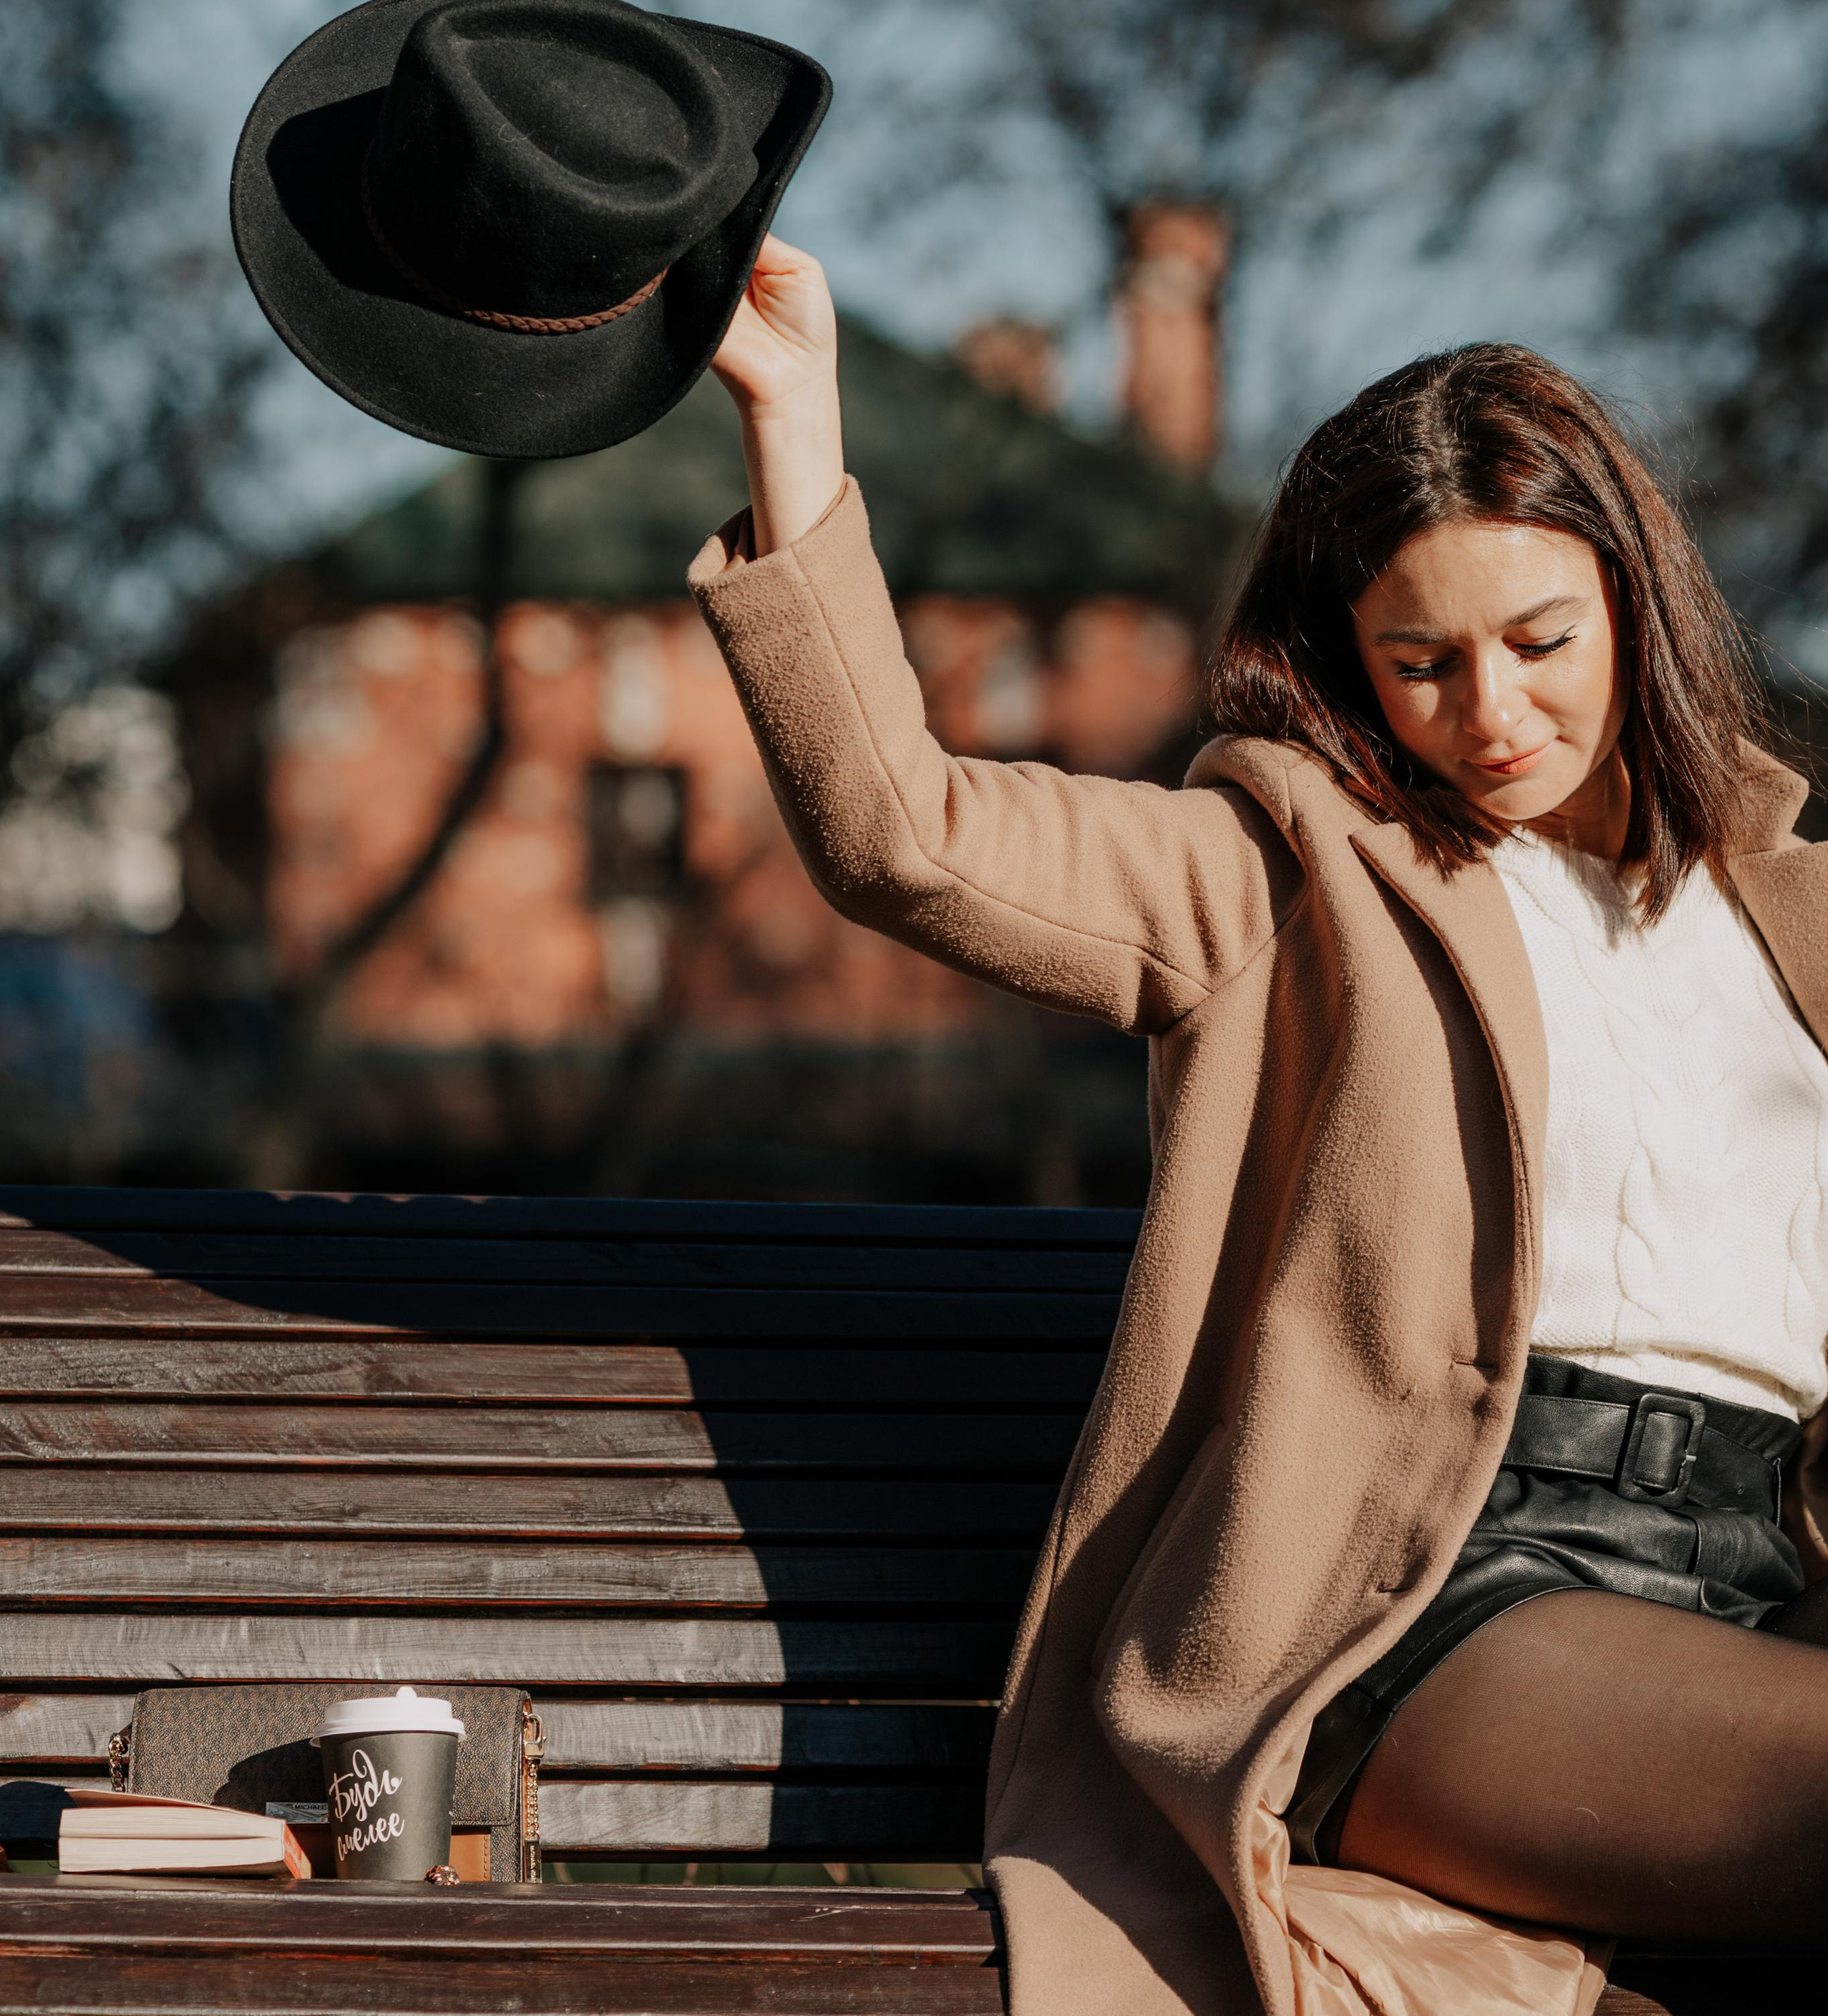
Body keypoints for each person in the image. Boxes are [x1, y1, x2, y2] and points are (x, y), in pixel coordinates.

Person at [693, 234, 1828, 2016]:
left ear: (1636, 601)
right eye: (1417, 661)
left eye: (1538, 640)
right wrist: (794, 423)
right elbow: (903, 835)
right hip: (1438, 1601)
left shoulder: (1789, 918)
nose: (1489, 711)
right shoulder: (1286, 872)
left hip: (1769, 1587)